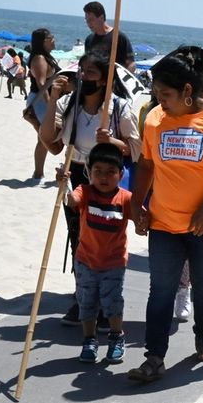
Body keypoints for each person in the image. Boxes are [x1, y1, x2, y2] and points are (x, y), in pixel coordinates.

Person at [127, 47, 203, 381]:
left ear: (187, 91)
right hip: (163, 222)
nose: (159, 101)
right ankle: (154, 357)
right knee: (161, 290)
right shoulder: (155, 119)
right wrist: (137, 204)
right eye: (155, 94)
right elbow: (146, 164)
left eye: (165, 95)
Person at [38, 51, 141, 329]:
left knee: (105, 237)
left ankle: (107, 305)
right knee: (78, 236)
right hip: (80, 174)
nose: (84, 77)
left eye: (92, 73)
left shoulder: (118, 108)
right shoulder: (69, 103)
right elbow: (49, 139)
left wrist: (113, 142)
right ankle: (84, 298)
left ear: (106, 79)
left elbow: (136, 150)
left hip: (109, 179)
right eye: (82, 72)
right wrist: (51, 102)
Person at [57, 142, 132, 364]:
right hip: (85, 261)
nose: (104, 177)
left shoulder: (125, 198)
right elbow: (72, 201)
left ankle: (116, 337)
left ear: (120, 174)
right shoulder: (85, 192)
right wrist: (63, 185)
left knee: (112, 303)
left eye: (111, 172)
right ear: (89, 172)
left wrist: (143, 220)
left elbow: (140, 219)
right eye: (98, 171)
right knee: (86, 303)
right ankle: (89, 340)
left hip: (114, 263)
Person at [27, 29, 61, 180]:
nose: (54, 39)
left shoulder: (46, 57)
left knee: (44, 137)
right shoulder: (39, 58)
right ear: (44, 41)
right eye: (51, 37)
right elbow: (41, 83)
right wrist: (50, 103)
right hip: (40, 100)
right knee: (45, 137)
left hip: (44, 100)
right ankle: (38, 172)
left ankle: (38, 172)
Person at [83, 1, 135, 72]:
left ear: (101, 18)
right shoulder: (89, 40)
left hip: (113, 81)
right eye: (87, 20)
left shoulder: (118, 37)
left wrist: (121, 81)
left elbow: (131, 64)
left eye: (91, 20)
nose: (88, 23)